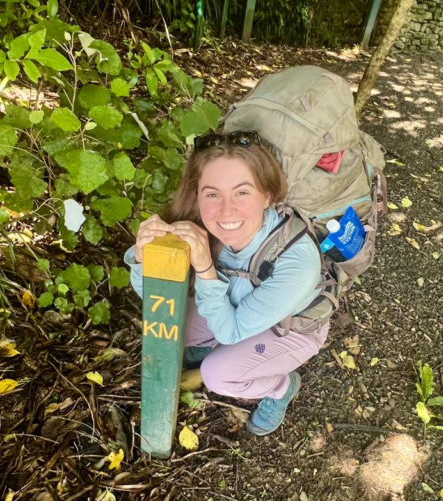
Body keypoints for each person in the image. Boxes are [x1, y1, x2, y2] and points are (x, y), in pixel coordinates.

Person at [124, 131, 329, 436]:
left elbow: (231, 331)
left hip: (289, 328)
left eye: (242, 192)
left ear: (268, 196)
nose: (225, 210)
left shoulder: (297, 260)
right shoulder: (200, 223)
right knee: (171, 324)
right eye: (212, 194)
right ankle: (214, 348)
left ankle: (281, 386)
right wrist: (144, 259)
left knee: (217, 374)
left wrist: (205, 267)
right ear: (198, 194)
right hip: (233, 310)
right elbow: (156, 300)